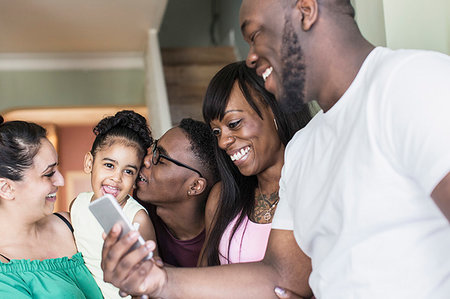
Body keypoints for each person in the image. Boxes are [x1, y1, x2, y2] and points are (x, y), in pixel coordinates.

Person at [100, 0, 450, 298]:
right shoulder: (304, 148)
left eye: (255, 35)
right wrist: (160, 280)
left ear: (306, 9)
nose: (250, 57)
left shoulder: (411, 82)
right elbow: (282, 275)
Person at [199, 61, 311, 266]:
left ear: (275, 110)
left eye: (233, 124)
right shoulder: (221, 198)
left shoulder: (315, 188)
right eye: (217, 132)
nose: (223, 142)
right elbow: (203, 278)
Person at [0, 116, 102, 298]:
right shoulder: (4, 273)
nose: (61, 180)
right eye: (48, 174)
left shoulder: (72, 224)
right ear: (6, 188)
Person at [70, 110, 156, 299]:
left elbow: (152, 284)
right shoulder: (78, 204)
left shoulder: (137, 218)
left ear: (136, 179)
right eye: (109, 165)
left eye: (128, 171)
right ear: (89, 163)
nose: (116, 178)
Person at [136, 118, 219, 267]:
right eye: (154, 148)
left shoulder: (224, 242)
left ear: (195, 186)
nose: (146, 160)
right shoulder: (136, 209)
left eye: (160, 159)